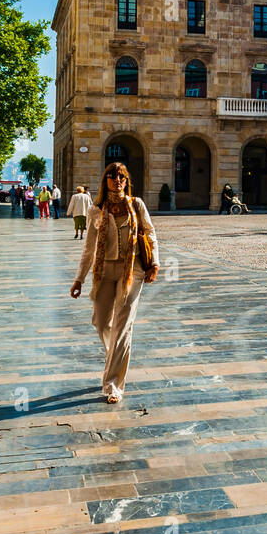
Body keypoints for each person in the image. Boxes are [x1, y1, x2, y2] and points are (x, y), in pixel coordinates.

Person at [70, 162, 158, 403]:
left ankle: (113, 385)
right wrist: (79, 278)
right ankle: (115, 357)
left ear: (126, 180)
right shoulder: (96, 210)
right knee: (100, 321)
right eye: (112, 176)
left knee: (122, 326)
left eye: (121, 176)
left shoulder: (136, 205)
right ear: (105, 180)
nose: (117, 180)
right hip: (104, 271)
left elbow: (150, 233)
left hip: (133, 271)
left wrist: (155, 264)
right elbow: (88, 248)